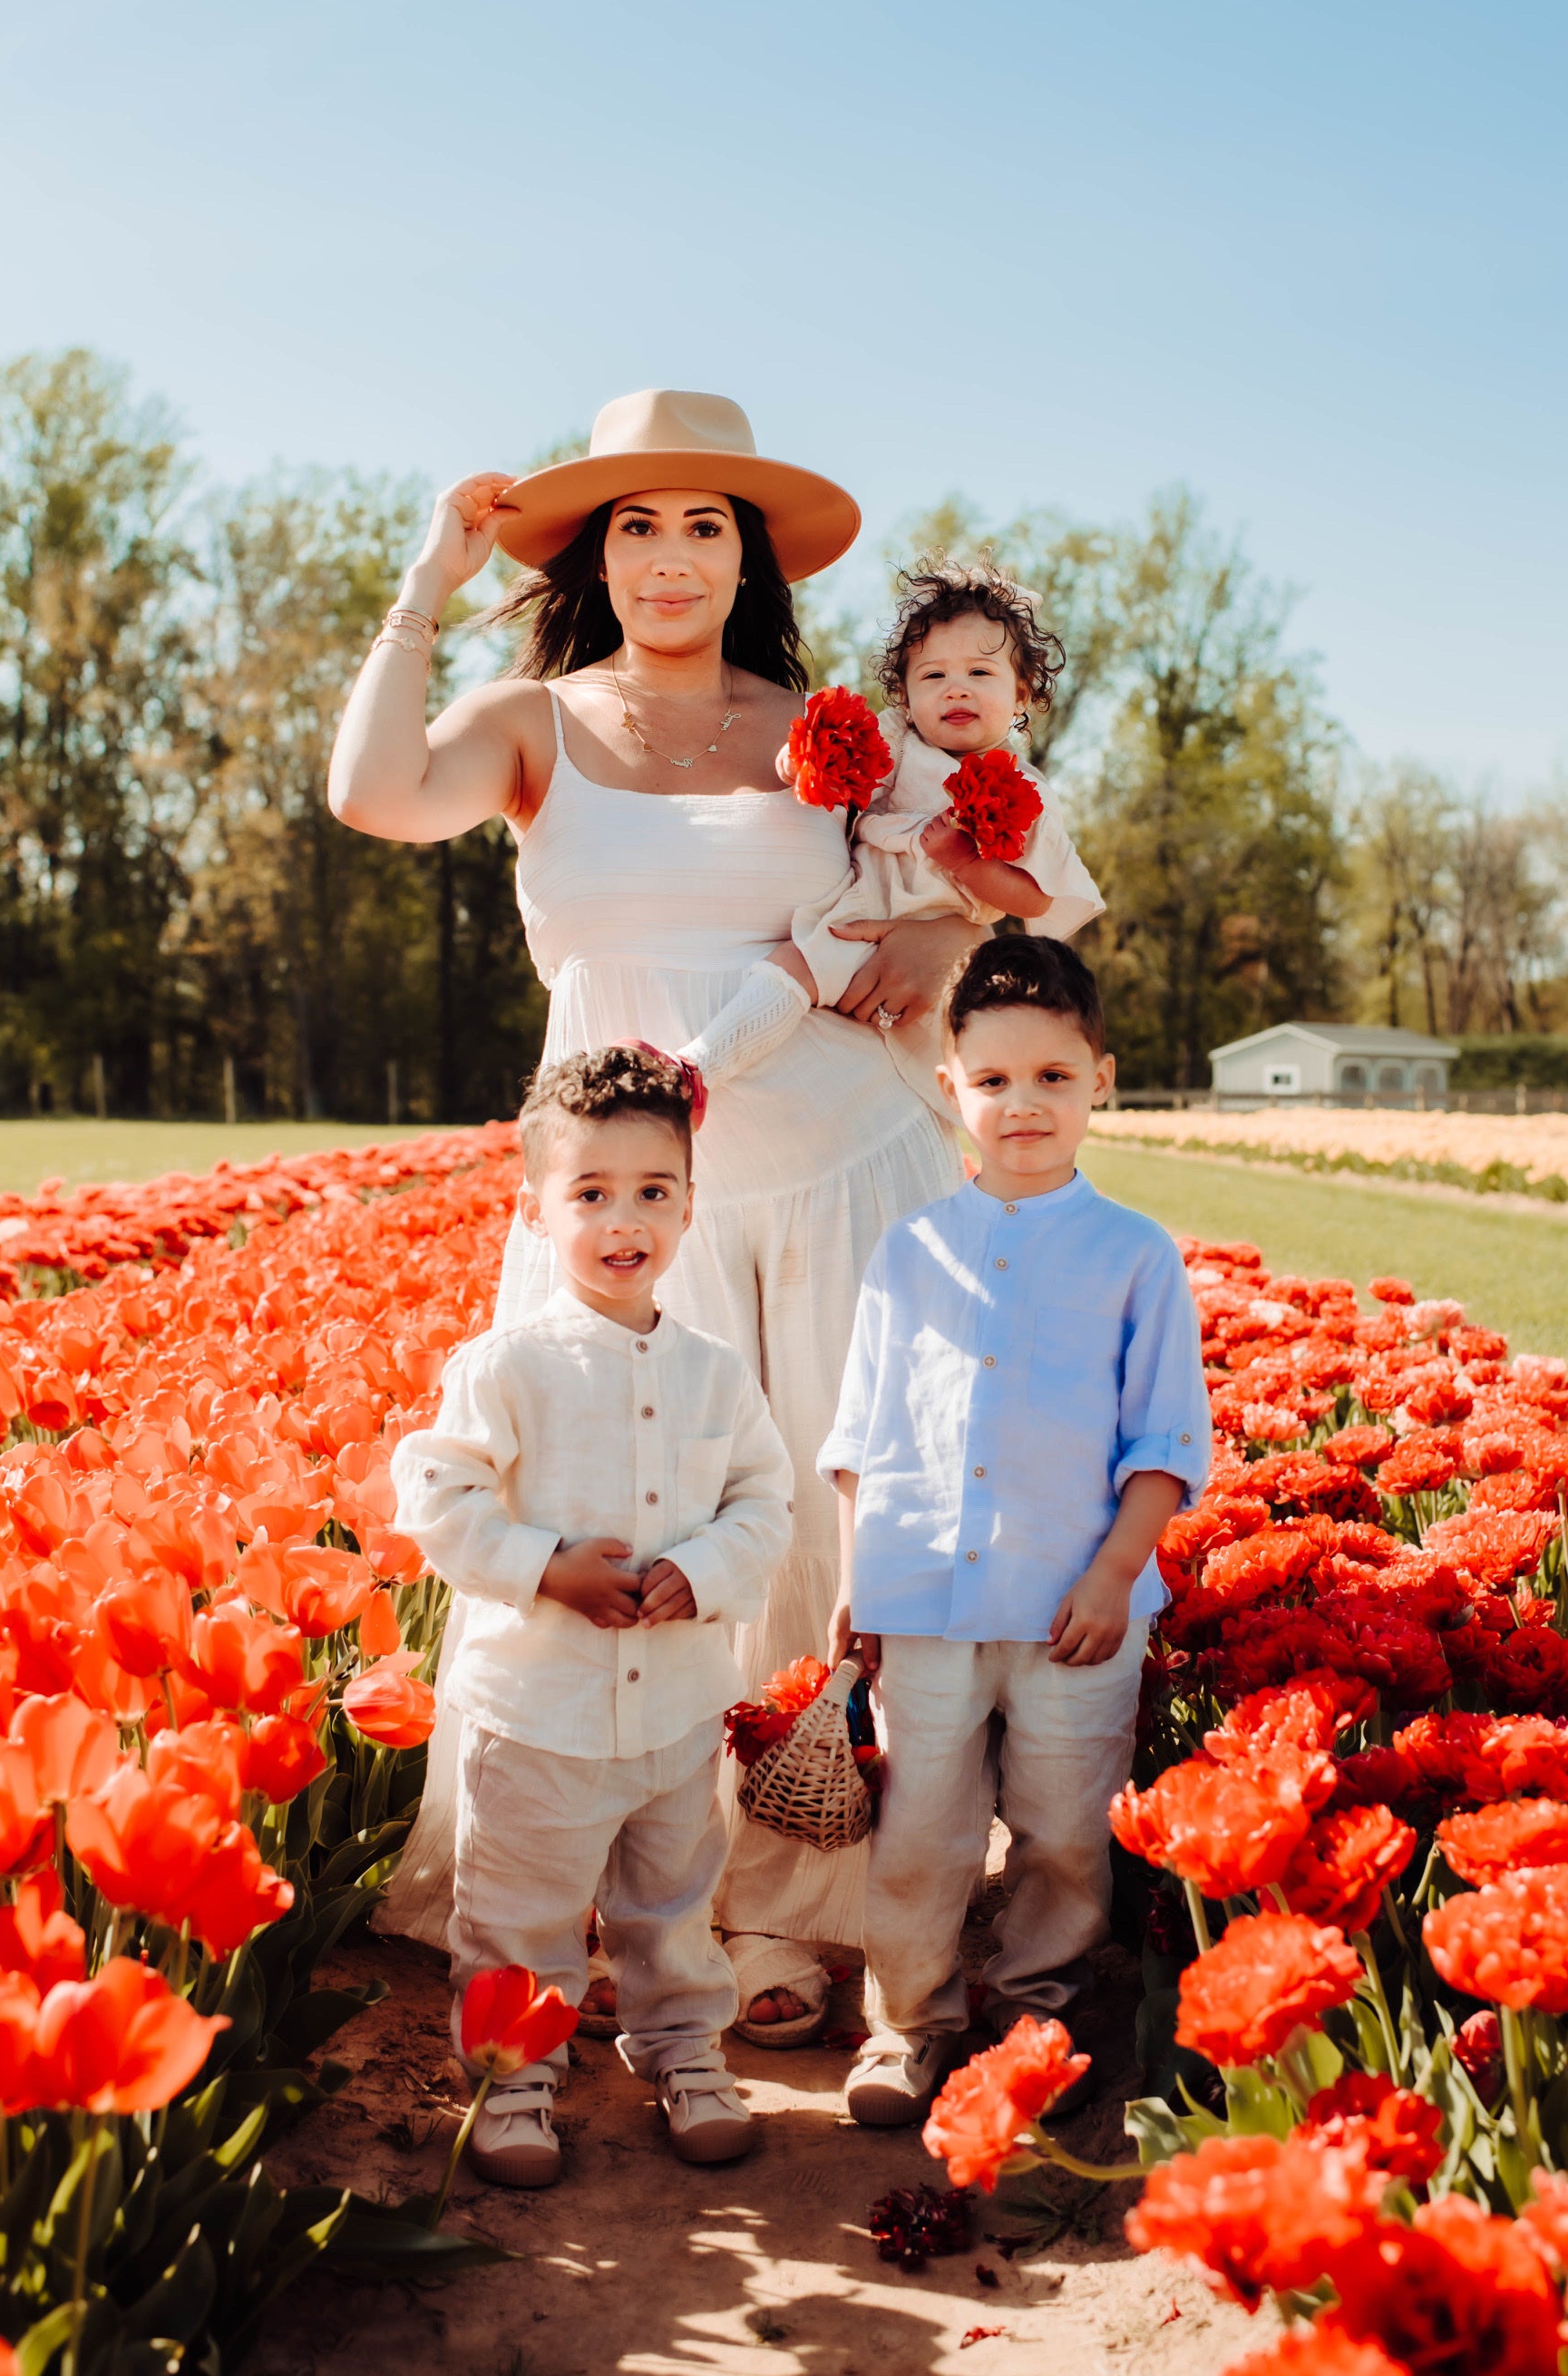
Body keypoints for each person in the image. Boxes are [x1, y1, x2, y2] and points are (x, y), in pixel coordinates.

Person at [330, 390, 980, 2041]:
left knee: (812, 1535)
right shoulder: (530, 720)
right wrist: (428, 575)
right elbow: (372, 794)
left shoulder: (830, 728)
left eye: (705, 523)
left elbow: (946, 902)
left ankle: (793, 1915)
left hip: (836, 1166)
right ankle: (622, 1909)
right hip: (622, 1192)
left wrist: (935, 949)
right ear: (591, 552)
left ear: (747, 552)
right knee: (624, 1518)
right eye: (636, 522)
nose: (671, 555)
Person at [821, 936, 1213, 2127]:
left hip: (1071, 1613)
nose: (1021, 1103)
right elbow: (863, 1428)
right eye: (991, 1080)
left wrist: (1111, 1573)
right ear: (950, 1089)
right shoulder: (910, 1249)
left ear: (1100, 1077)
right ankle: (910, 2023)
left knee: (1060, 1832)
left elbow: (1163, 1443)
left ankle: (1033, 2014)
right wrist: (855, 1580)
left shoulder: (1133, 1254)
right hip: (925, 1597)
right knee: (920, 1830)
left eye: (1050, 1075)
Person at [390, 1047, 793, 2185]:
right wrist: (544, 1566)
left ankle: (683, 2051)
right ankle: (516, 2074)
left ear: (689, 1205)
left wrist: (706, 1568)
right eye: (591, 1193)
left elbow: (764, 1499)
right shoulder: (507, 1365)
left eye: (654, 1192)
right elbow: (437, 1494)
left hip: (674, 1708)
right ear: (534, 1209)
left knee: (671, 1902)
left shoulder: (716, 1374)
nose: (628, 1219)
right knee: (522, 1909)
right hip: (540, 1715)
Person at [678, 563, 1104, 1110]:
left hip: (941, 940)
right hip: (862, 908)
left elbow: (1035, 898)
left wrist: (967, 863)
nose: (956, 690)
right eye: (933, 677)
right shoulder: (899, 744)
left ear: (1021, 694)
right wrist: (802, 764)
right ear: (904, 695)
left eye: (980, 673)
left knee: (963, 1077)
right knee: (794, 968)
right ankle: (697, 1068)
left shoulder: (1027, 791)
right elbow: (847, 781)